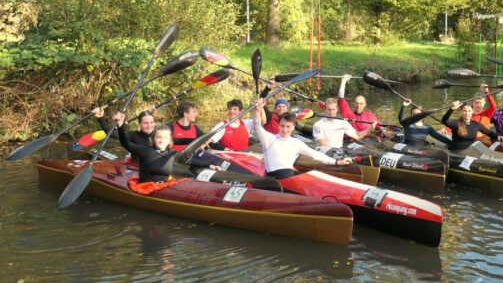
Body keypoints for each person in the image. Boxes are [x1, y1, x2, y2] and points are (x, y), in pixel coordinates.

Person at [113, 112, 272, 188]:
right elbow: (125, 143)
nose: (161, 141)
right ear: (154, 139)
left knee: (188, 169)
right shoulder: (144, 151)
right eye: (158, 138)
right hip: (146, 188)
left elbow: (189, 159)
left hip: (164, 186)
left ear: (170, 141)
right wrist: (121, 126)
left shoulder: (170, 153)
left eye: (165, 138)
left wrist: (209, 166)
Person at [253, 98, 351, 178]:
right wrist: (257, 110)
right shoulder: (268, 138)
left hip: (289, 177)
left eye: (288, 127)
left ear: (293, 127)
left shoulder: (296, 143)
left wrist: (336, 162)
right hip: (271, 179)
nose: (285, 130)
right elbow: (257, 127)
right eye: (282, 126)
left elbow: (315, 155)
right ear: (279, 125)